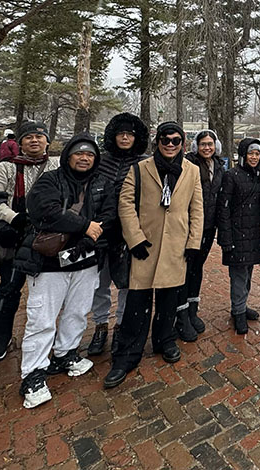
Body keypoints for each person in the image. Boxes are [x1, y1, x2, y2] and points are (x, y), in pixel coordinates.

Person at [103, 123, 203, 389]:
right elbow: (125, 204)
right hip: (145, 245)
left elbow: (197, 208)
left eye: (175, 140)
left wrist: (193, 242)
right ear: (157, 141)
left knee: (169, 300)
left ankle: (164, 340)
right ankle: (127, 354)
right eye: (165, 140)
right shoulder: (140, 168)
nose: (170, 144)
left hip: (176, 246)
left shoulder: (191, 170)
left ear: (182, 143)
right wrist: (134, 238)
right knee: (137, 301)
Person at [14, 134, 111, 409]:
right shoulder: (50, 180)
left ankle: (65, 352)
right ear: (68, 156)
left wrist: (87, 241)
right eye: (79, 153)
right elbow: (44, 211)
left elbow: (108, 216)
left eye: (90, 154)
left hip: (86, 259)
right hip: (49, 261)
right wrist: (84, 226)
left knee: (78, 312)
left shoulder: (101, 183)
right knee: (42, 318)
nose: (84, 158)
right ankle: (33, 372)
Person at [0, 121, 60, 364]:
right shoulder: (7, 167)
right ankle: (0, 338)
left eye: (39, 137)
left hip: (49, 237)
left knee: (49, 291)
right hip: (16, 236)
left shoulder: (56, 165)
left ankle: (47, 338)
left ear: (47, 141)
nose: (34, 141)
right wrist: (14, 218)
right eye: (29, 137)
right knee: (9, 288)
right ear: (20, 142)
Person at [86, 112, 149, 357]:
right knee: (99, 284)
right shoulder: (101, 162)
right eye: (121, 133)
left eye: (129, 134)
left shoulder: (143, 163)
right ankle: (100, 325)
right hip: (100, 231)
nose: (125, 138)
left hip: (127, 232)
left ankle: (121, 325)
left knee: (125, 283)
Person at [178, 129, 226, 341]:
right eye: (203, 144)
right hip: (189, 226)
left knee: (197, 268)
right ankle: (180, 313)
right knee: (185, 269)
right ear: (196, 146)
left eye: (210, 144)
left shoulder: (219, 166)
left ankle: (192, 310)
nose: (207, 148)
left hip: (209, 226)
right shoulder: (188, 164)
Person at [217, 139, 260, 335]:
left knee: (247, 273)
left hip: (254, 233)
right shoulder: (231, 175)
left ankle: (241, 305)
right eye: (250, 153)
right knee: (238, 275)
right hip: (237, 234)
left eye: (257, 154)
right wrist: (226, 238)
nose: (254, 157)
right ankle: (238, 311)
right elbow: (223, 209)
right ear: (243, 155)